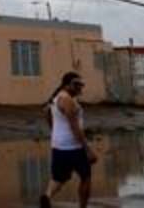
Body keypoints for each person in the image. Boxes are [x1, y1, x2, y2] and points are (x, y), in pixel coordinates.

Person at [40, 71, 96, 208]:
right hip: (74, 146)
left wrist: (54, 131)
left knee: (59, 178)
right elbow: (75, 127)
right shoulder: (67, 100)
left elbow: (46, 112)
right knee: (86, 177)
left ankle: (47, 196)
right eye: (75, 84)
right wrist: (88, 149)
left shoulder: (57, 97)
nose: (79, 87)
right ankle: (83, 206)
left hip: (58, 145)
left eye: (81, 84)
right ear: (66, 85)